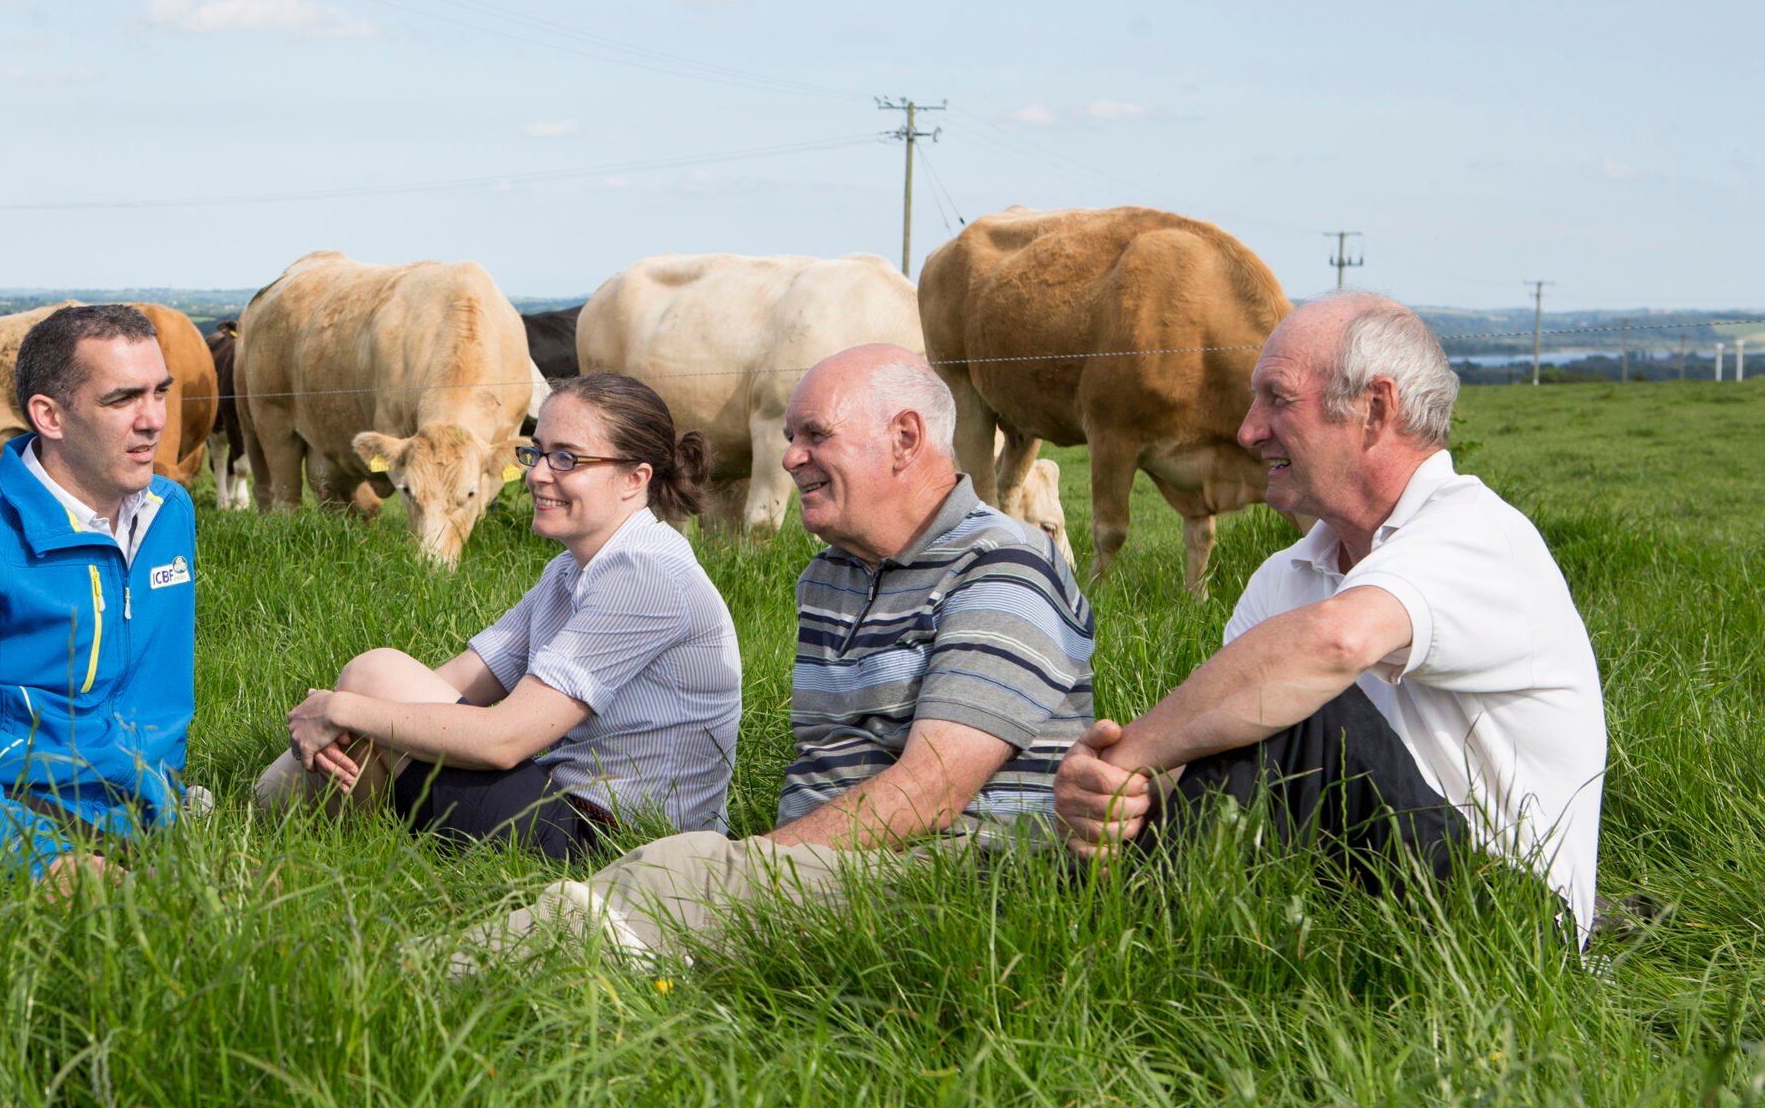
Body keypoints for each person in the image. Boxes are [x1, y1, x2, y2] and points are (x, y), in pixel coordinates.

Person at [447, 345, 1095, 966]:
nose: (789, 457)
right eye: (790, 434)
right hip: (837, 865)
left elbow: (931, 789)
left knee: (678, 873)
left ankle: (424, 983)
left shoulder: (1002, 567)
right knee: (679, 873)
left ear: (904, 439)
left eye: (814, 434)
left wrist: (752, 864)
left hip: (959, 883)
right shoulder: (830, 577)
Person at [1053, 293, 1606, 945]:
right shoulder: (1284, 578)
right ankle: (1092, 937)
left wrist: (1136, 749)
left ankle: (1104, 958)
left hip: (1514, 929)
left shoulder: (1480, 535)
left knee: (1294, 701)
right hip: (1355, 908)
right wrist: (1110, 792)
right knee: (1248, 703)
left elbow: (1334, 642)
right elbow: (1210, 754)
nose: (1248, 430)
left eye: (1278, 400)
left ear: (1374, 410)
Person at [257, 372, 741, 864]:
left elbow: (503, 740)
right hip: (563, 808)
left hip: (613, 847)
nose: (536, 474)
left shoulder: (645, 573)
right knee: (372, 689)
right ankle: (302, 834)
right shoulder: (570, 571)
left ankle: (290, 833)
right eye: (538, 453)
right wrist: (341, 711)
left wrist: (341, 710)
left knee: (372, 676)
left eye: (567, 459)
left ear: (635, 478)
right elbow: (449, 680)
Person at [0, 304, 197, 880]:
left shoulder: (169, 514)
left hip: (150, 816)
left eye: (160, 392)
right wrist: (39, 858)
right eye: (122, 399)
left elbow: (157, 698)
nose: (153, 419)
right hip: (18, 817)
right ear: (49, 416)